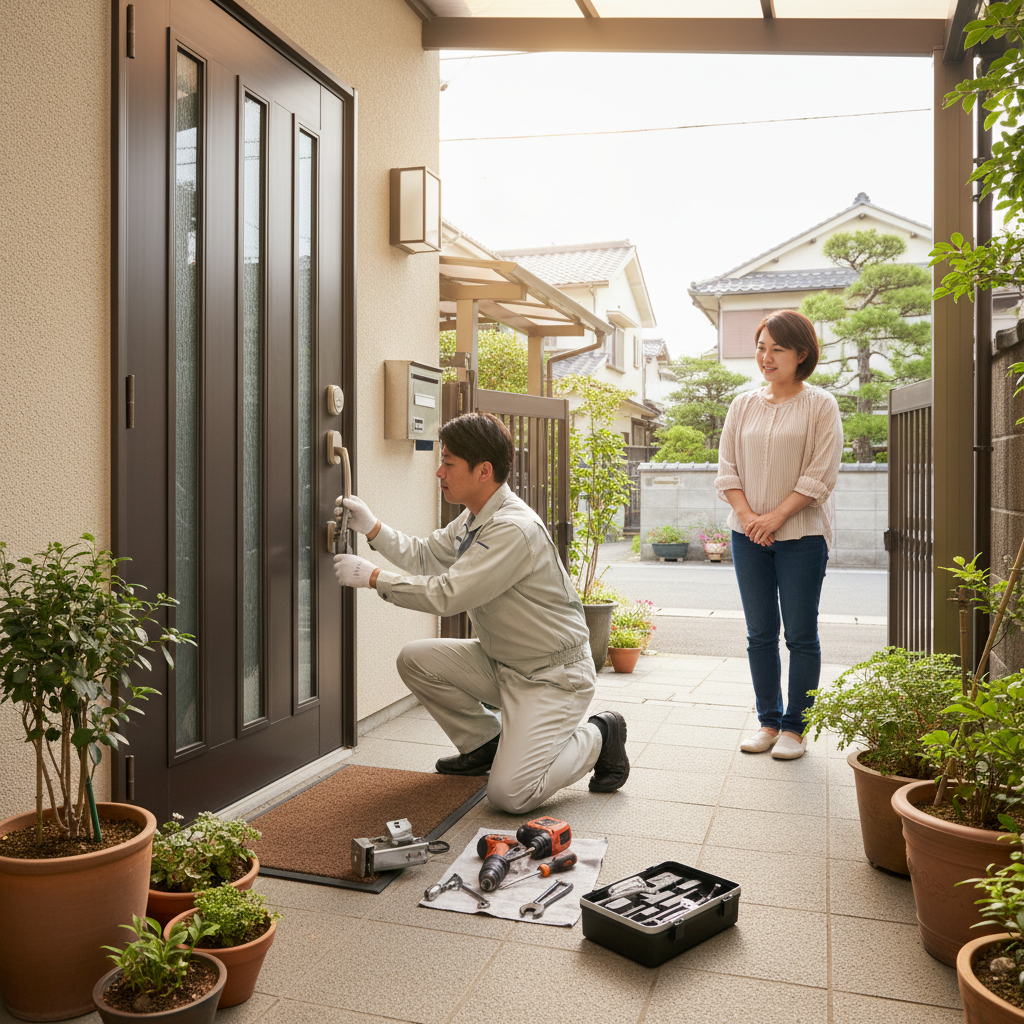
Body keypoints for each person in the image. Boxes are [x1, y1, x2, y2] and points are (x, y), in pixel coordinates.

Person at [332, 411, 629, 813]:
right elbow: (424, 555)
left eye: (449, 463)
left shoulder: (512, 528)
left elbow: (447, 595)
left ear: (483, 470)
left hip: (552, 677)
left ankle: (599, 736)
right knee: (415, 659)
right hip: (502, 663)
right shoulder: (475, 517)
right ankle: (486, 745)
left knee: (510, 795)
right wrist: (373, 528)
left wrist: (374, 579)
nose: (439, 472)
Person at [715, 309, 843, 761]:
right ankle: (768, 721)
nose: (765, 357)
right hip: (746, 534)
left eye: (777, 349)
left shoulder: (821, 405)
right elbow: (726, 469)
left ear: (801, 354)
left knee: (801, 634)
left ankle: (796, 728)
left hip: (802, 536)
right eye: (761, 346)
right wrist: (749, 516)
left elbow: (820, 475)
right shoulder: (742, 404)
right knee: (760, 634)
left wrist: (774, 518)